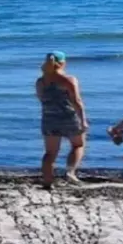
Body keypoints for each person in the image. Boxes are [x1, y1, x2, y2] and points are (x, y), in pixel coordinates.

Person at [36, 52, 89, 188]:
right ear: (63, 63)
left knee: (50, 153)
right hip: (69, 117)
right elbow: (76, 101)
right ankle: (70, 172)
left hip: (49, 119)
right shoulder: (68, 80)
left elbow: (42, 99)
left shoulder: (40, 82)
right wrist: (83, 120)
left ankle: (47, 182)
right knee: (78, 145)